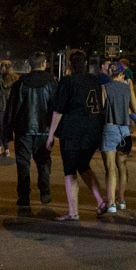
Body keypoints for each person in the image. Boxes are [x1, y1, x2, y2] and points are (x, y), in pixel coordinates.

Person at [47, 50, 106, 221]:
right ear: (86, 63)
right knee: (84, 165)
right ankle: (101, 201)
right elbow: (101, 104)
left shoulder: (68, 81)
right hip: (92, 131)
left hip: (73, 132)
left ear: (69, 64)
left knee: (70, 171)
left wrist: (50, 135)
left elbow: (58, 110)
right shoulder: (94, 80)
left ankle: (73, 212)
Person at [6, 52, 57, 207]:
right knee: (43, 161)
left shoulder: (20, 83)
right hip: (44, 129)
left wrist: (8, 131)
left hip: (23, 129)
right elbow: (56, 107)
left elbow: (12, 107)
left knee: (23, 164)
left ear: (30, 65)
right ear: (44, 64)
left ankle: (24, 196)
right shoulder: (51, 83)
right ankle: (44, 189)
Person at [101, 62, 136, 213]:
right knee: (122, 166)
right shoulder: (128, 88)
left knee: (110, 167)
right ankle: (121, 199)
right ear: (122, 73)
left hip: (109, 128)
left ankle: (111, 203)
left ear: (109, 74)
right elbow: (135, 109)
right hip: (125, 130)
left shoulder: (104, 88)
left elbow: (102, 110)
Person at [0, 60, 17, 157]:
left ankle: (6, 149)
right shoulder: (14, 79)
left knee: (3, 128)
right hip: (11, 107)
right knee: (3, 127)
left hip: (0, 107)